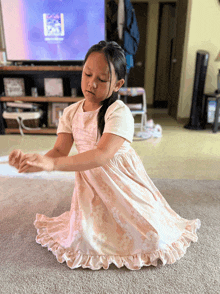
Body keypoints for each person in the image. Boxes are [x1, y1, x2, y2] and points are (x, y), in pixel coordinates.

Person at [8, 41, 201, 271]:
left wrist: (52, 164)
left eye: (102, 79)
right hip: (91, 186)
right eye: (88, 74)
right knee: (84, 239)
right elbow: (59, 151)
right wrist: (36, 161)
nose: (92, 83)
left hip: (123, 185)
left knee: (153, 238)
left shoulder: (119, 112)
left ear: (118, 84)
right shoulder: (70, 112)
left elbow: (101, 155)